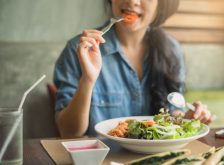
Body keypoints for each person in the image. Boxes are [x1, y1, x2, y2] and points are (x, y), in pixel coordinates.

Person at [53, 0, 215, 138]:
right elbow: (68, 133)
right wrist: (87, 80)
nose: (132, 1)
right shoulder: (80, 49)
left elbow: (172, 113)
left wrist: (187, 118)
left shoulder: (171, 50)